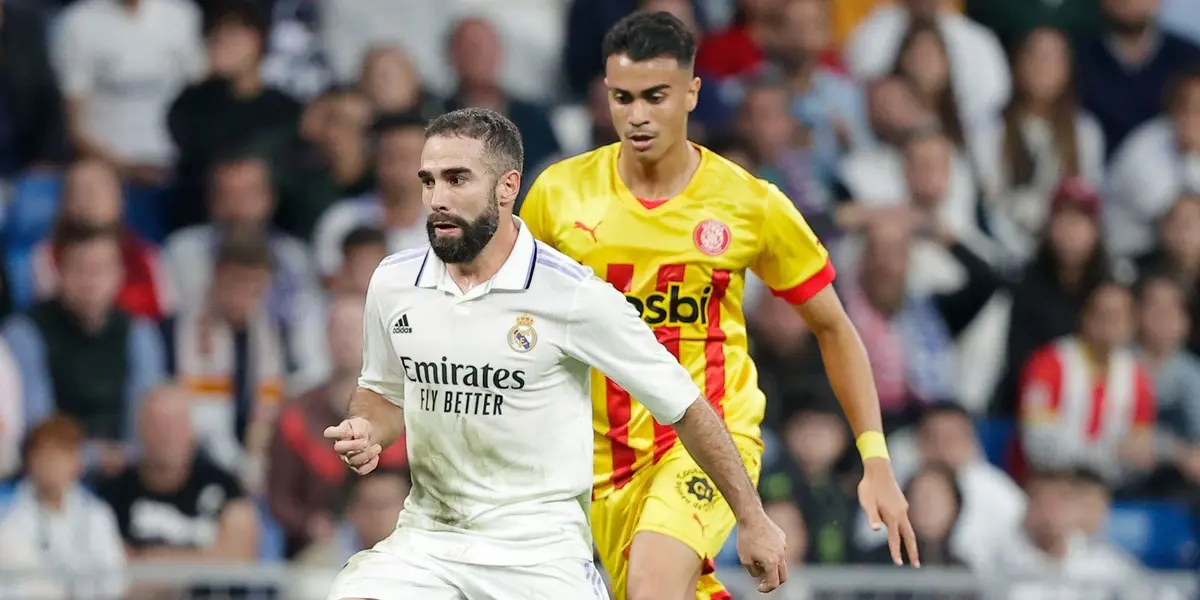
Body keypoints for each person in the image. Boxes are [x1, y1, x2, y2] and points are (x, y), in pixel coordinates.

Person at [520, 11, 917, 600]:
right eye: (622, 98)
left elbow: (833, 327)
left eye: (656, 96)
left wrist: (875, 456)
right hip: (601, 454)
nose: (637, 115)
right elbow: (516, 319)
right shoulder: (558, 193)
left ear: (691, 92)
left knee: (654, 587)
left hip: (711, 441)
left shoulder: (749, 203)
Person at [323, 107, 788, 600]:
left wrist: (752, 518)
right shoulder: (394, 281)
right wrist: (367, 428)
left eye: (457, 179)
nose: (437, 199)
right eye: (428, 181)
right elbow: (383, 392)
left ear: (507, 187)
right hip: (430, 540)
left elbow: (688, 408)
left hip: (539, 554)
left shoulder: (571, 294)